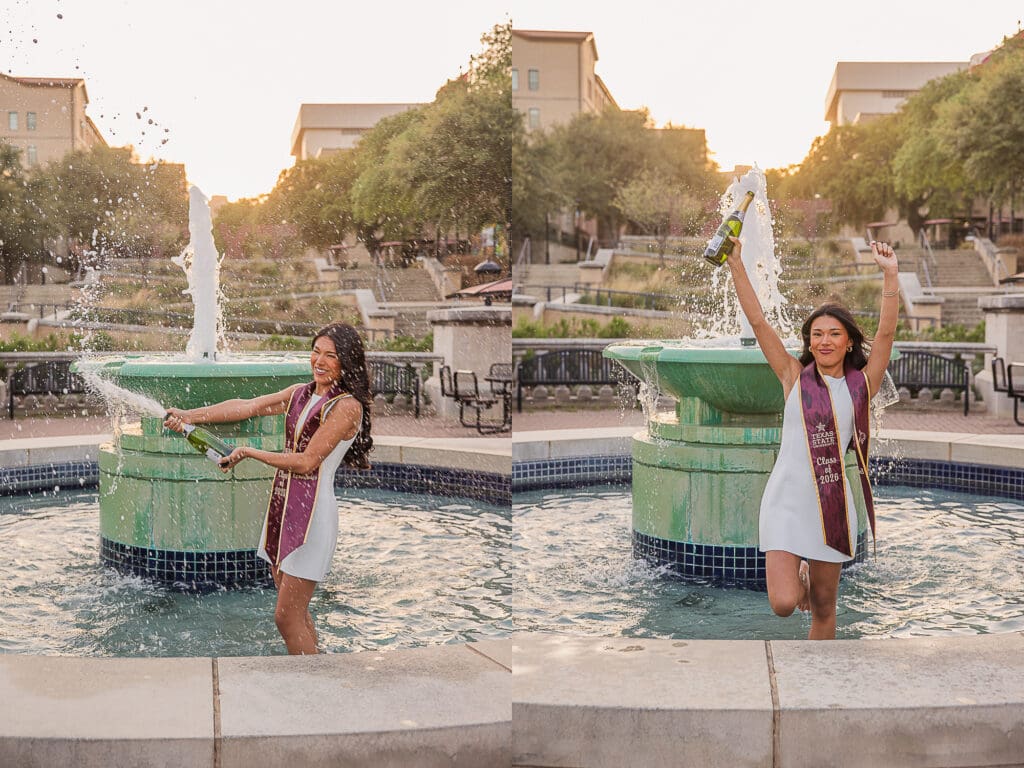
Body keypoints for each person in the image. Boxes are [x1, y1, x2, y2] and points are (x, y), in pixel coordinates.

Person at [725, 236, 898, 639]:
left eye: (834, 334)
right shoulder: (793, 377)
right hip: (786, 501)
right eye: (817, 334)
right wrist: (736, 263)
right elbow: (759, 322)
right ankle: (799, 570)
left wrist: (890, 276)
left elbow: (886, 337)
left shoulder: (861, 386)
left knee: (823, 609)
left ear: (849, 340)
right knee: (784, 604)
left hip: (832, 507)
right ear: (809, 342)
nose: (824, 341)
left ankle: (820, 683)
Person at [164, 322, 373, 654]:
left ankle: (309, 684)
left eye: (330, 355)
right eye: (316, 351)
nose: (319, 360)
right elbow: (249, 406)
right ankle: (315, 673)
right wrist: (189, 416)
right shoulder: (300, 393)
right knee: (296, 614)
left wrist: (247, 452)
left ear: (346, 362)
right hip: (283, 509)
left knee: (285, 618)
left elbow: (307, 462)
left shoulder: (346, 407)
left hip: (313, 518)